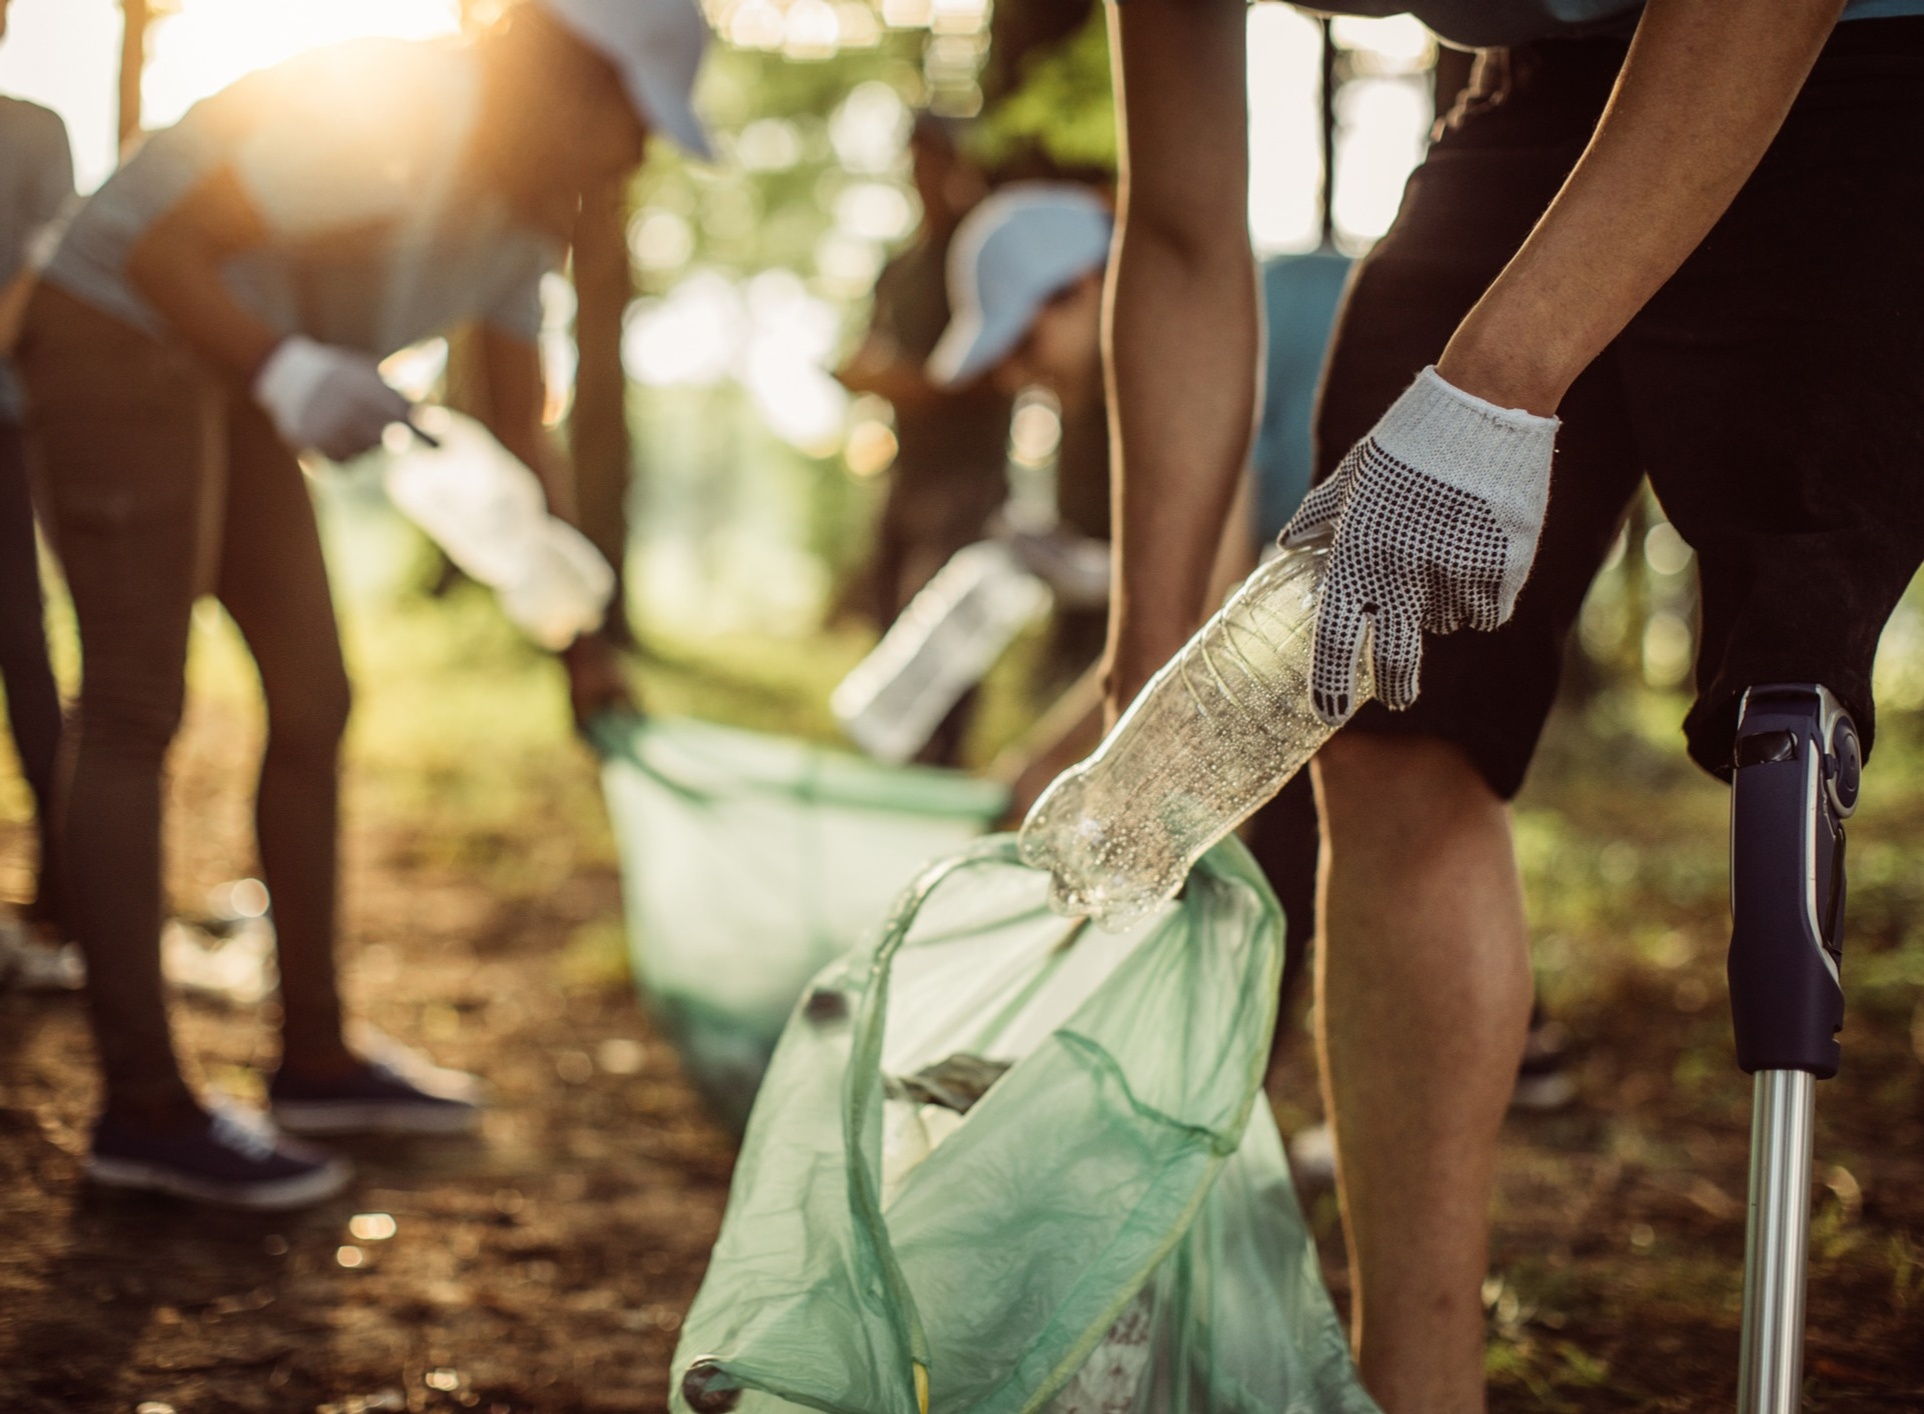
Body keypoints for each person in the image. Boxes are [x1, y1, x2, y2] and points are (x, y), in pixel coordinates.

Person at [1098, 2, 1923, 1409]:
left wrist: (1496, 386)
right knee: (1376, 698)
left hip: (1848, 47)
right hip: (1538, 91)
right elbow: (1178, 235)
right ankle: (1417, 1391)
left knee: (1789, 692)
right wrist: (1152, 656)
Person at [15, 0, 713, 1210]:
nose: (634, 156)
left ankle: (319, 1059)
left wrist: (576, 635)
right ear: (570, 75)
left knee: (316, 692)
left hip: (233, 363)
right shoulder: (406, 110)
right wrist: (288, 367)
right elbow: (165, 252)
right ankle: (143, 1109)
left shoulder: (525, 214)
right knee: (133, 703)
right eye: (633, 119)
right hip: (121, 326)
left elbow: (512, 418)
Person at [836, 115, 1010, 765]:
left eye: (934, 159)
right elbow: (873, 345)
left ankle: (943, 758)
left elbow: (988, 372)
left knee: (942, 622)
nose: (923, 173)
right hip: (905, 470)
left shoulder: (980, 257)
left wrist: (903, 383)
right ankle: (895, 753)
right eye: (914, 159)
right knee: (893, 618)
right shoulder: (901, 266)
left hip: (969, 475)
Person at [0, 0, 73, 974]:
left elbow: (47, 270)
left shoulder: (34, 133)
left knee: (22, 646)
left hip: (4, 426)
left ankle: (68, 892)